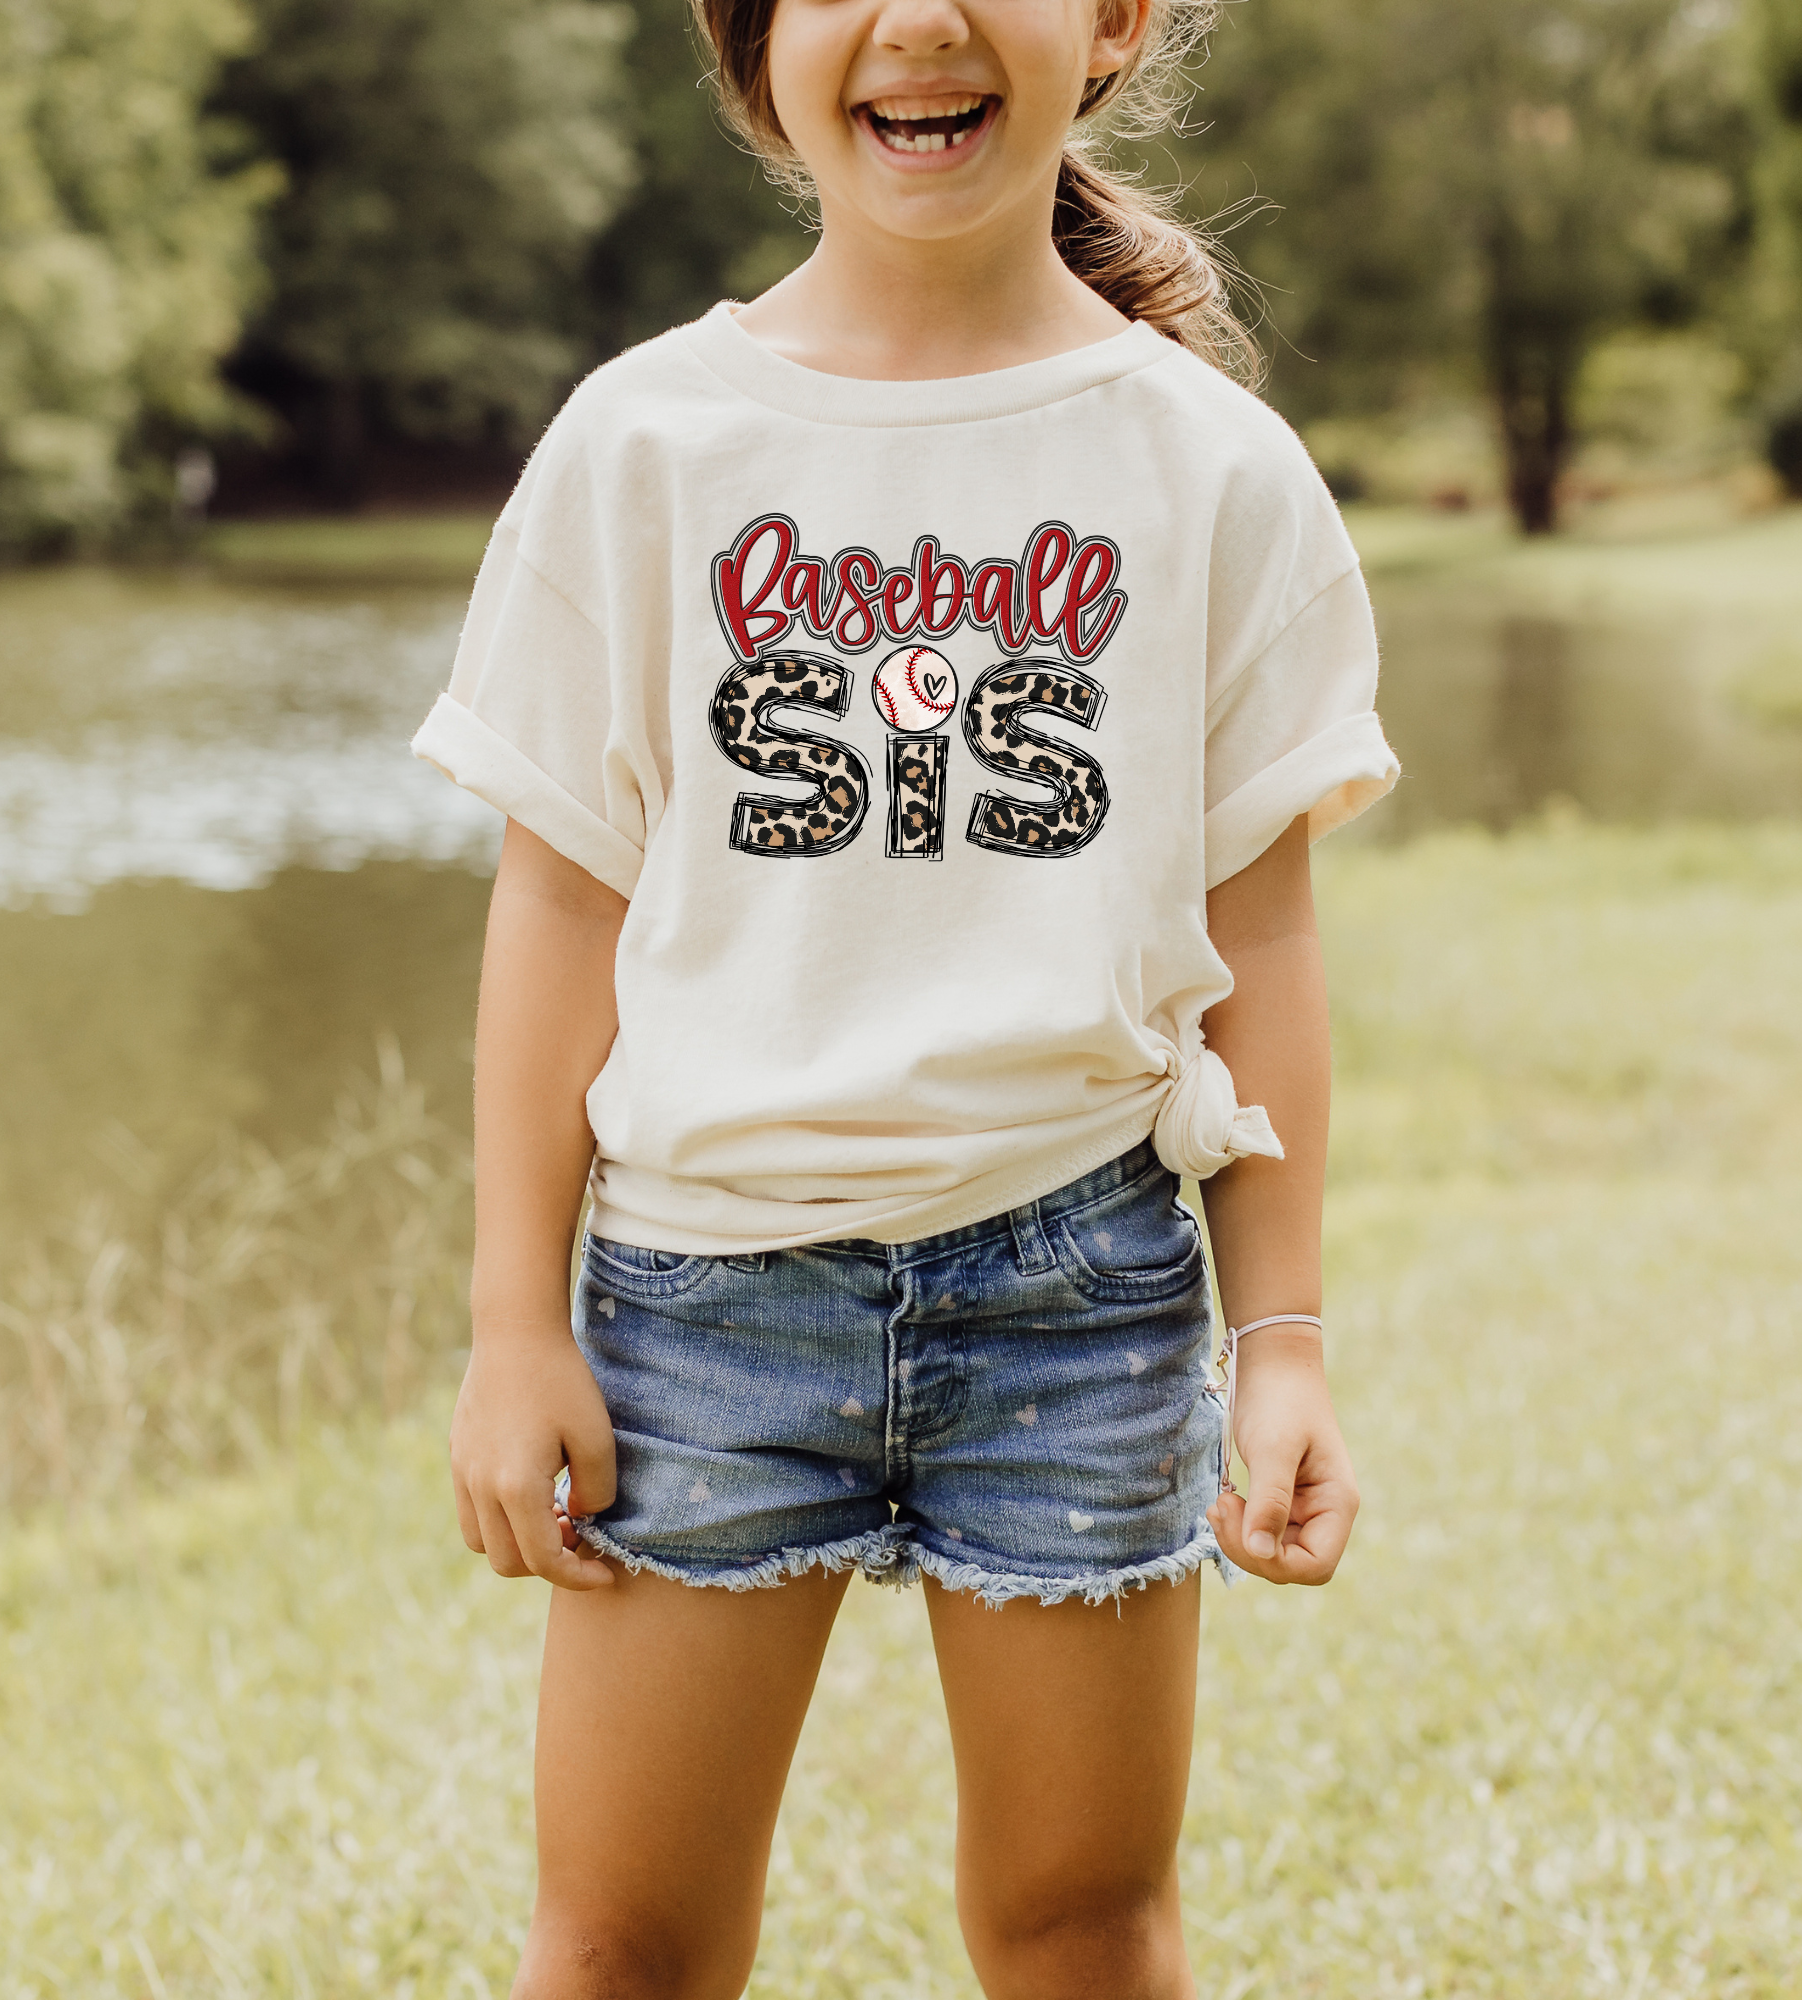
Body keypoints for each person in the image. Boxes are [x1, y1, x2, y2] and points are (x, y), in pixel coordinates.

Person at [412, 1, 1399, 1991]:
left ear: (1111, 21)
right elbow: (555, 914)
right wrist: (516, 1321)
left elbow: (1261, 943)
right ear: (751, 40)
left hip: (1079, 1299)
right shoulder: (643, 443)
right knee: (619, 1938)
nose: (921, 20)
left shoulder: (1208, 470)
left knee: (1078, 1920)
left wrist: (1277, 1335)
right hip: (701, 1298)